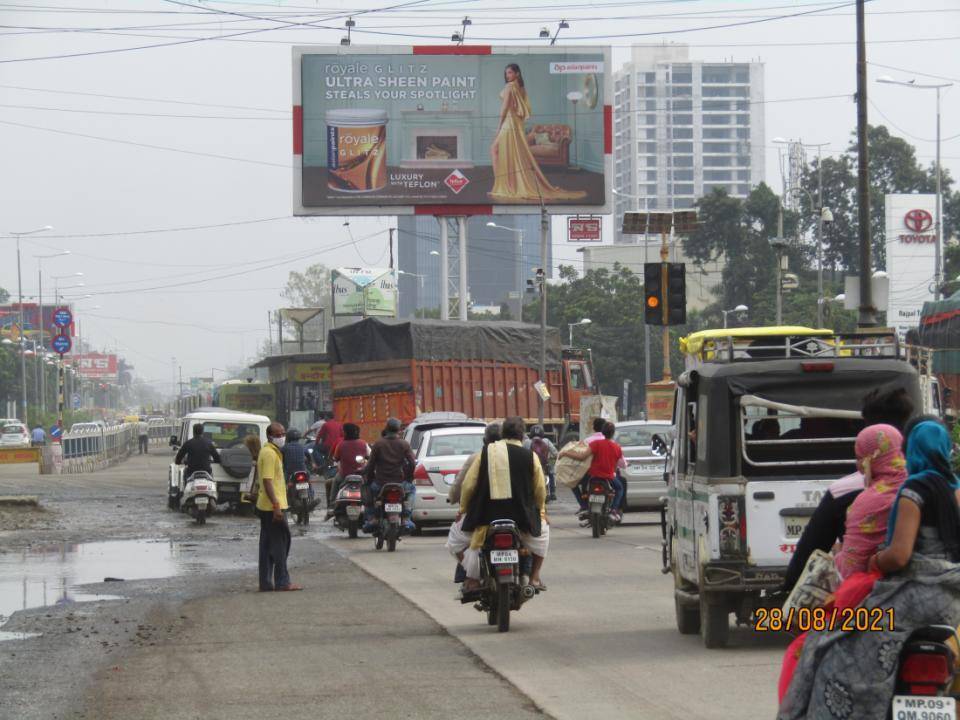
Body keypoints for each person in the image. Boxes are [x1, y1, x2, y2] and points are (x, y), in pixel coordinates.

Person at [779, 420, 960, 719]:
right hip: (950, 602)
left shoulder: (912, 490)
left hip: (913, 599)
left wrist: (876, 561)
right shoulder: (954, 490)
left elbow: (899, 557)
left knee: (830, 644)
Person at [781, 387, 915, 593]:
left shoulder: (845, 491)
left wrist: (789, 587)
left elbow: (811, 550)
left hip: (863, 596)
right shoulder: (927, 482)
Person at [459, 416, 549, 592]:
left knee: (459, 539)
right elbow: (540, 490)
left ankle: (473, 579)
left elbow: (468, 485)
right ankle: (535, 577)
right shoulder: (530, 456)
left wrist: (463, 509)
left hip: (485, 519)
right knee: (544, 536)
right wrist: (540, 511)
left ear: (502, 434)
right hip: (523, 520)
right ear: (522, 436)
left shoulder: (486, 452)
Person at [487, 63, 587, 203]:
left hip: (509, 123)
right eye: (506, 73)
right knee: (510, 154)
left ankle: (501, 186)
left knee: (496, 150)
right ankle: (504, 185)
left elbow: (504, 109)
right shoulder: (521, 88)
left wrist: (499, 127)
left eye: (510, 72)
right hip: (516, 123)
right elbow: (521, 109)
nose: (507, 75)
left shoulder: (510, 87)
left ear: (517, 73)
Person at [833, 424, 907, 579]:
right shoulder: (918, 486)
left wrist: (837, 554)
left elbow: (851, 566)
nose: (857, 465)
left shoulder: (869, 502)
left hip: (877, 593)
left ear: (871, 459)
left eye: (859, 458)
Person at [446, 423, 502, 582]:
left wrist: (460, 506)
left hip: (481, 516)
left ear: (485, 440)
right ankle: (529, 576)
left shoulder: (476, 458)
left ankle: (473, 576)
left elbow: (465, 485)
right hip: (514, 515)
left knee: (454, 540)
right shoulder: (520, 455)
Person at [255, 422, 301, 592]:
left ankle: (266, 583)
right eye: (278, 434)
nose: (282, 437)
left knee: (267, 546)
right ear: (270, 436)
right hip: (272, 507)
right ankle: (282, 582)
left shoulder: (272, 452)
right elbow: (267, 481)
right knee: (281, 545)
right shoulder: (269, 454)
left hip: (269, 505)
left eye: (283, 433)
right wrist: (276, 506)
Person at [560, 421, 626, 523]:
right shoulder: (617, 447)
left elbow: (582, 457)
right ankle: (613, 510)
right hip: (609, 477)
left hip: (593, 476)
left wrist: (566, 453)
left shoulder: (595, 444)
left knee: (579, 487)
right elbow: (620, 464)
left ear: (602, 432)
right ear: (613, 433)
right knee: (620, 488)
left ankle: (584, 506)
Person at [362, 418, 416, 533]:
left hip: (380, 483)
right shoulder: (404, 444)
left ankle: (373, 518)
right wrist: (409, 478)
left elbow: (371, 464)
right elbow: (412, 462)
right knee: (411, 489)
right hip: (400, 482)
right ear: (399, 430)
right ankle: (406, 518)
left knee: (368, 492)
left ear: (386, 428)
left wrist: (369, 479)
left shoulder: (378, 444)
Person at [325, 423, 369, 518]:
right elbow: (368, 457)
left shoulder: (341, 445)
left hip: (344, 476)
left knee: (332, 482)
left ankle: (332, 505)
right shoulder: (363, 443)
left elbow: (335, 458)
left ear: (346, 433)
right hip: (361, 475)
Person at [173, 423, 221, 488]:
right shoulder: (209, 443)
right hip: (206, 470)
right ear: (202, 432)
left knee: (185, 473)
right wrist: (212, 461)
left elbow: (178, 458)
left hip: (191, 471)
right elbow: (217, 458)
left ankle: (185, 489)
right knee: (211, 481)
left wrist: (179, 462)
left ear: (193, 432)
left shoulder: (188, 443)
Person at [529, 425, 558, 502]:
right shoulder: (547, 441)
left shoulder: (528, 442)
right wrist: (554, 458)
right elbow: (555, 452)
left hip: (532, 465)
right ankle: (552, 493)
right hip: (544, 465)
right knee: (551, 473)